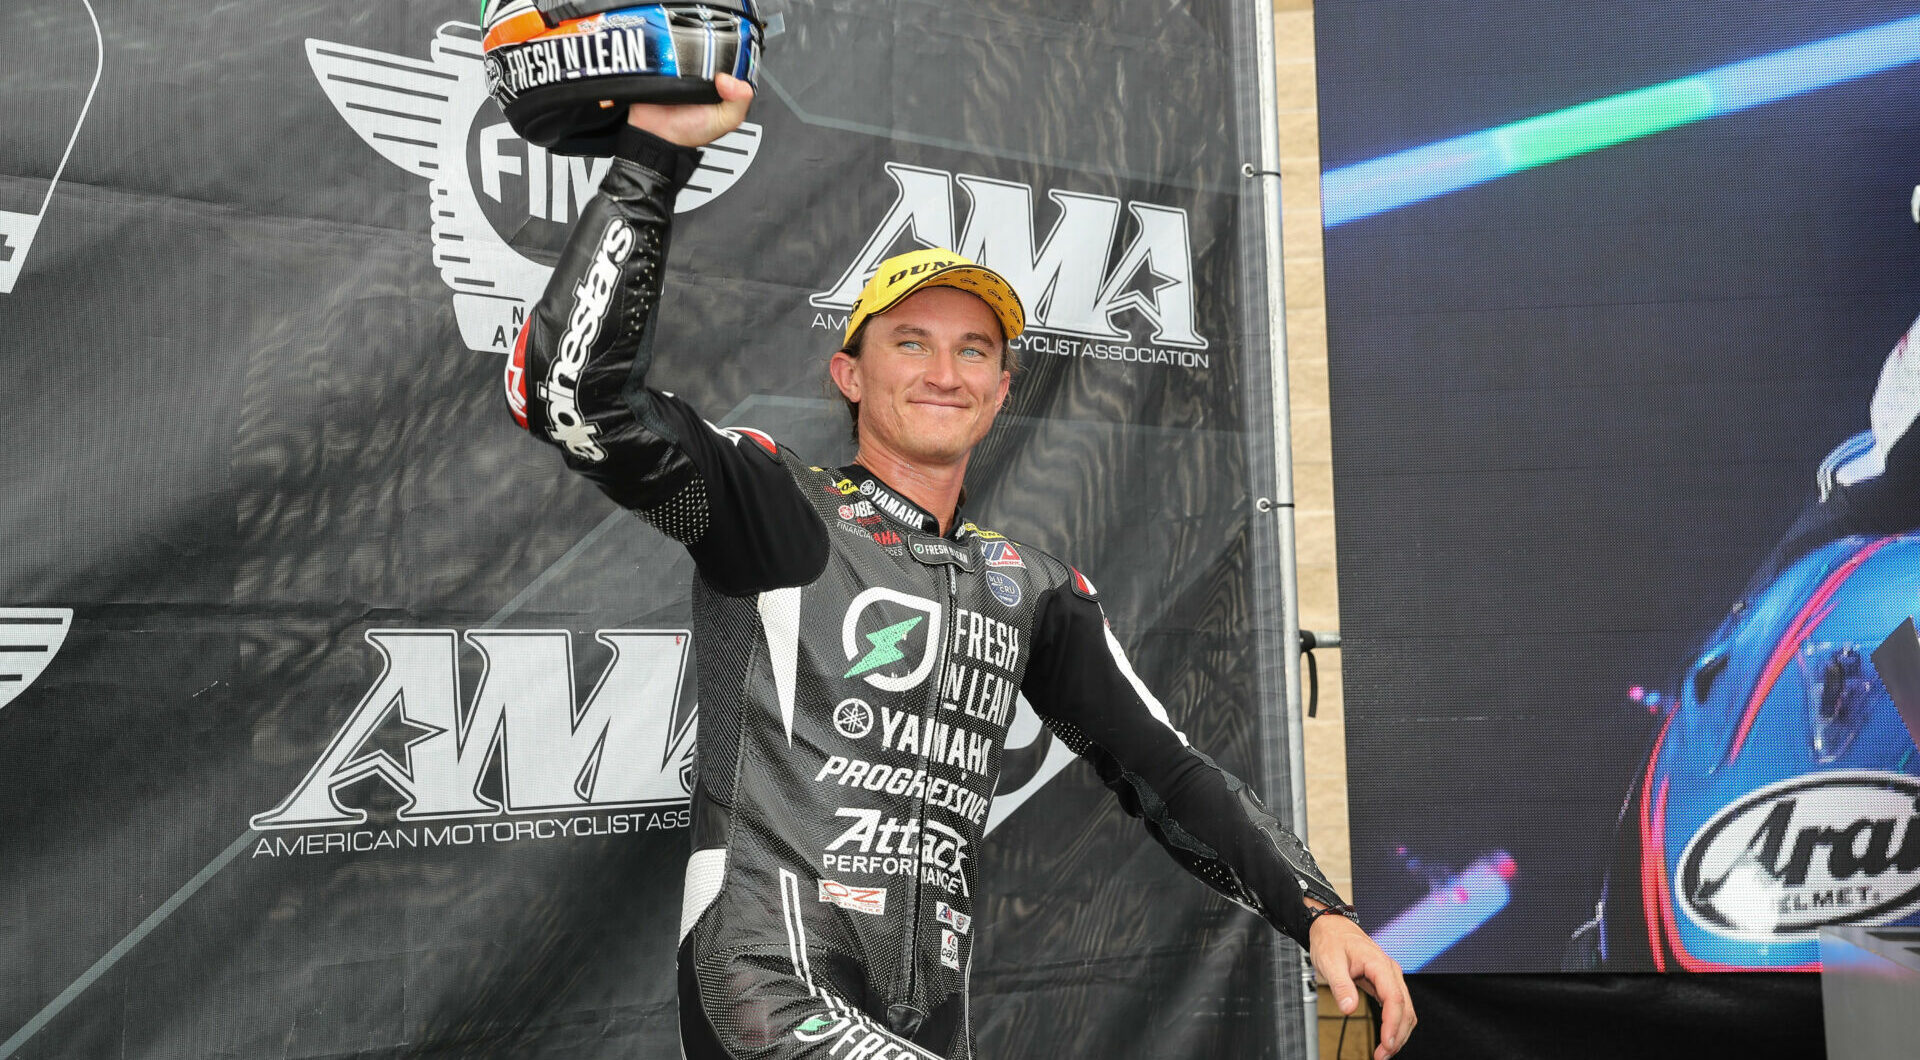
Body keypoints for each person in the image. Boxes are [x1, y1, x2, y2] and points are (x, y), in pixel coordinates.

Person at [502, 74, 1414, 1060]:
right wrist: (653, 157)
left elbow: (1168, 771)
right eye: (912, 342)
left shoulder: (1027, 585)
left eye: (975, 350)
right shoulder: (770, 506)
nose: (946, 370)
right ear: (851, 373)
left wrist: (1317, 908)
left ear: (1002, 387)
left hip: (927, 1014)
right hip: (767, 978)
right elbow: (573, 397)